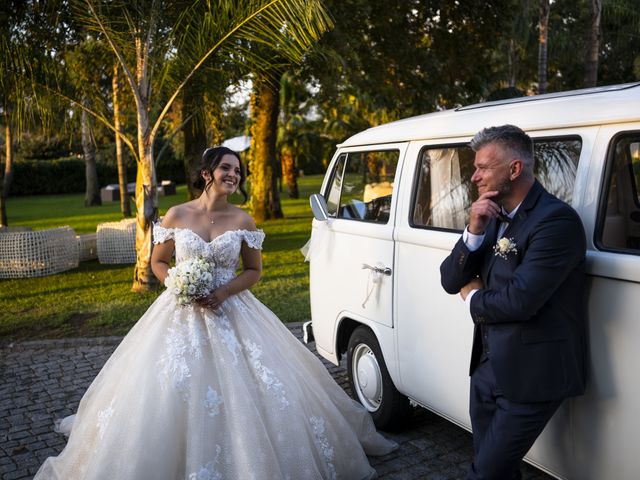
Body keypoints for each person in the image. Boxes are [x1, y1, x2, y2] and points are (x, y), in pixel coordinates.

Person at [35, 146, 396, 480]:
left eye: (237, 171)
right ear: (207, 173)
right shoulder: (177, 214)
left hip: (232, 309)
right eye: (226, 168)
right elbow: (157, 262)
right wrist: (177, 283)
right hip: (179, 311)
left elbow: (254, 271)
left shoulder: (243, 220)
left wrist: (224, 291)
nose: (233, 175)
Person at [439, 125, 587, 480]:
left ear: (515, 169)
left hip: (532, 374)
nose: (474, 176)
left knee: (485, 473)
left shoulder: (556, 221)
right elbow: (449, 280)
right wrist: (474, 230)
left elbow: (519, 301)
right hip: (487, 370)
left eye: (483, 168)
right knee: (499, 471)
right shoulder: (490, 214)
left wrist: (472, 296)